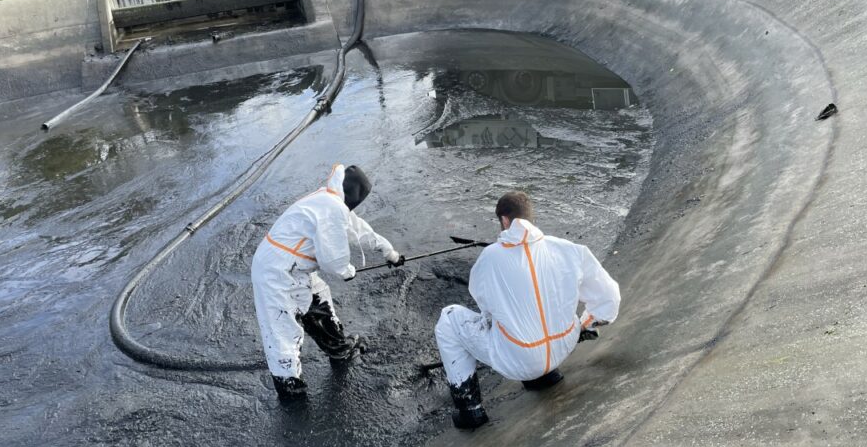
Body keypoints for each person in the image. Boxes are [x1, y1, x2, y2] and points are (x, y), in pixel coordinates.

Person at [434, 191, 621, 429]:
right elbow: (609, 297)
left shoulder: (490, 257)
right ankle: (545, 376)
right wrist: (585, 325)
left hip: (519, 360)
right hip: (564, 345)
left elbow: (484, 305)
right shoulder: (569, 249)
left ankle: (470, 411)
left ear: (503, 221)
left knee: (449, 318)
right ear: (531, 218)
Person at [252, 163, 403, 401]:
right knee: (281, 327)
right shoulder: (331, 207)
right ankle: (289, 385)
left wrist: (390, 253)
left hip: (294, 267)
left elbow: (360, 230)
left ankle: (338, 347)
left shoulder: (331, 201)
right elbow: (332, 257)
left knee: (318, 296)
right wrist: (346, 271)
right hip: (275, 271)